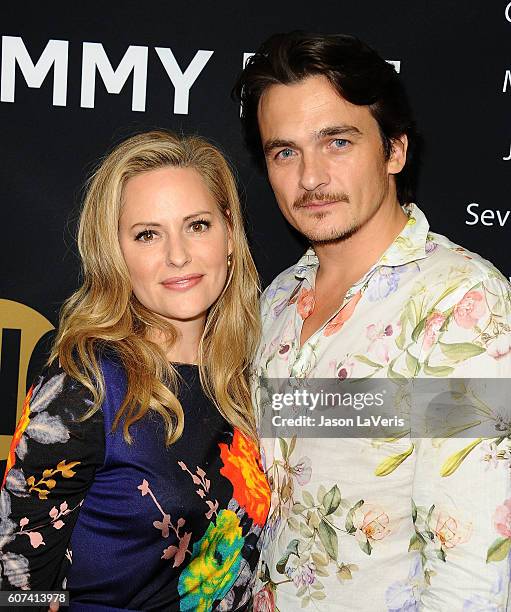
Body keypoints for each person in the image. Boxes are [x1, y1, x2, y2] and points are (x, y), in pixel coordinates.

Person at [234, 32, 511, 610]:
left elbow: (476, 573)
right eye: (284, 151)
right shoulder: (276, 301)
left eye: (336, 142)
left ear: (394, 151)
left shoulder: (461, 306)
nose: (310, 178)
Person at [0, 130, 271, 610]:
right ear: (117, 254)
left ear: (229, 234)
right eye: (148, 234)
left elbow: (421, 416)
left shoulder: (248, 374)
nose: (178, 255)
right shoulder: (86, 383)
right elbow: (14, 587)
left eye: (198, 225)